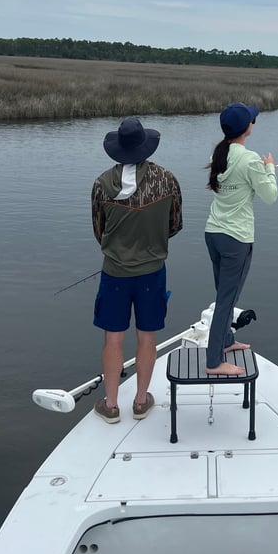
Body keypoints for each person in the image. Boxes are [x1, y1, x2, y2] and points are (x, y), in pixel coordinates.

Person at [91, 117, 182, 422]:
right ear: (146, 146)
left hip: (114, 272)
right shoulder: (167, 180)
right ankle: (141, 402)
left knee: (113, 339)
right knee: (147, 337)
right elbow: (175, 225)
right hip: (152, 270)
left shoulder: (102, 184)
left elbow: (99, 231)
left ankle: (112, 404)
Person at [204, 102, 278, 376]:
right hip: (236, 239)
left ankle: (226, 341)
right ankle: (214, 362)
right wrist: (269, 168)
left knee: (225, 295)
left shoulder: (220, 152)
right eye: (253, 120)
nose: (254, 123)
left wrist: (260, 168)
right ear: (247, 128)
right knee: (227, 300)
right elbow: (270, 196)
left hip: (213, 234)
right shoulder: (250, 159)